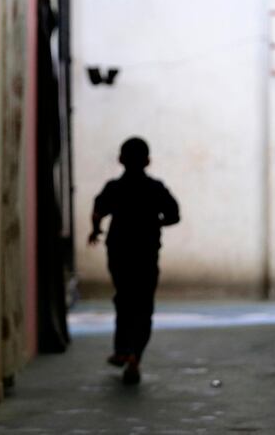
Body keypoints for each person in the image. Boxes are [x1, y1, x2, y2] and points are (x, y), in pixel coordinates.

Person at [88, 137, 180, 385]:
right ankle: (134, 356)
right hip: (146, 253)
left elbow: (98, 212)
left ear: (120, 160)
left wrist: (95, 231)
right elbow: (174, 216)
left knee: (124, 298)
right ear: (148, 161)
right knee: (143, 304)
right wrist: (154, 223)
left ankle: (121, 350)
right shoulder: (156, 188)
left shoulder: (114, 188)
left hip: (119, 252)